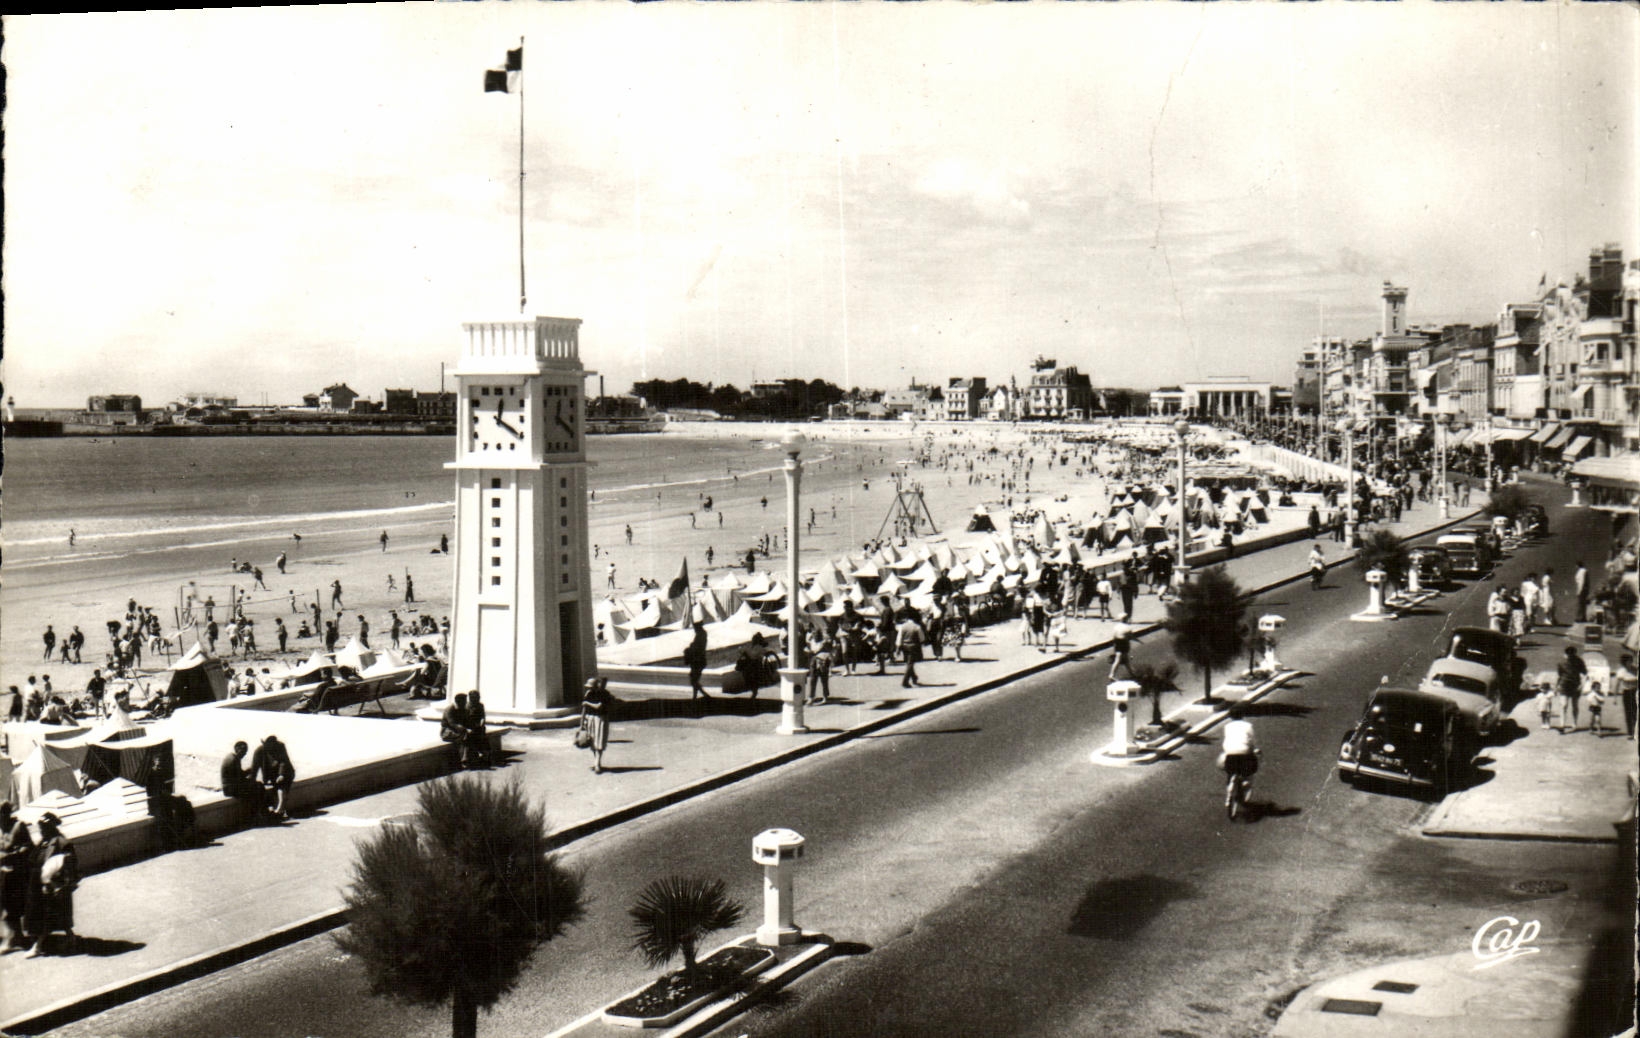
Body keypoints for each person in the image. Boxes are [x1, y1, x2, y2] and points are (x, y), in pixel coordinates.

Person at [24, 813, 77, 957]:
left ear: (50, 827)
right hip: (38, 883)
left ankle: (38, 946)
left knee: (47, 915)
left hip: (53, 885)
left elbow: (68, 865)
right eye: (40, 827)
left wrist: (57, 884)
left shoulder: (62, 842)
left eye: (43, 827)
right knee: (56, 914)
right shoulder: (43, 842)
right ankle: (70, 937)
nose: (41, 830)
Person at [0, 800, 33, 953]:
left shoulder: (18, 826)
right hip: (3, 873)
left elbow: (28, 847)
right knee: (5, 906)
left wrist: (12, 855)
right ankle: (15, 936)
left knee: (12, 907)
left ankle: (14, 939)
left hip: (17, 873)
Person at [251, 736, 295, 821]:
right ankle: (277, 809)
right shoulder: (259, 751)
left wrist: (281, 774)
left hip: (286, 772)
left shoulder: (280, 746)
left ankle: (280, 809)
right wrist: (252, 780)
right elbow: (254, 768)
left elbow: (284, 761)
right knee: (275, 787)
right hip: (272, 776)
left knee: (281, 784)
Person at [1218, 702, 1260, 789]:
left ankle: (1229, 790)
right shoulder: (1248, 726)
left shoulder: (1227, 726)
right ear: (1242, 715)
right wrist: (1255, 748)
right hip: (1244, 752)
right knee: (1251, 762)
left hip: (1230, 753)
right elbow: (1252, 740)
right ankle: (1245, 780)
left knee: (1231, 772)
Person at [578, 677, 613, 774]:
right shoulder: (588, 694)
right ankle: (597, 762)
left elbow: (599, 706)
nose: (589, 688)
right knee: (592, 742)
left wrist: (587, 703)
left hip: (600, 718)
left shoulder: (604, 694)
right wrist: (581, 724)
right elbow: (584, 709)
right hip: (590, 719)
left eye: (591, 687)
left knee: (599, 742)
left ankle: (597, 763)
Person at [1556, 646, 1587, 733]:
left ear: (1574, 654)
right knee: (1563, 705)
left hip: (1575, 685)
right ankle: (1562, 725)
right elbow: (1560, 675)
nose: (1570, 656)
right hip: (1564, 685)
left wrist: (1582, 684)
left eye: (1572, 655)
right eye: (1569, 655)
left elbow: (1585, 673)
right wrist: (1557, 686)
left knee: (1575, 705)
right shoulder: (1561, 662)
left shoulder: (1579, 661)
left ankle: (1574, 723)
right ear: (1566, 654)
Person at [684, 620, 711, 700]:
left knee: (694, 680)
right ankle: (696, 696)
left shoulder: (700, 636)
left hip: (698, 661)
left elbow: (697, 648)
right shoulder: (701, 635)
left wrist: (691, 647)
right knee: (694, 679)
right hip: (698, 660)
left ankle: (704, 695)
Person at [805, 630, 833, 706]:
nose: (815, 636)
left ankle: (825, 696)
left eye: (816, 634)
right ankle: (811, 697)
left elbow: (826, 651)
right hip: (814, 661)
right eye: (814, 634)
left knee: (824, 679)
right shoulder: (812, 642)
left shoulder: (824, 642)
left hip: (822, 661)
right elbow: (812, 650)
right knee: (812, 679)